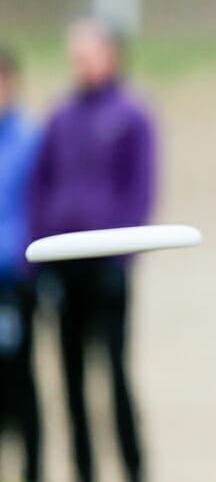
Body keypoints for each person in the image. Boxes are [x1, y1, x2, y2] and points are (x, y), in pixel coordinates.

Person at [29, 18, 156, 482]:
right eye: (74, 52)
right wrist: (38, 257)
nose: (79, 61)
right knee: (71, 380)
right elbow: (42, 189)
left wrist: (121, 259)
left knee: (116, 376)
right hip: (63, 271)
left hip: (109, 270)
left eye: (88, 51)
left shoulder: (132, 115)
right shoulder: (60, 115)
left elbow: (139, 192)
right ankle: (83, 470)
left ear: (113, 54)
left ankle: (134, 468)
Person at [0, 47, 42, 482]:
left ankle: (32, 470)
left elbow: (40, 208)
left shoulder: (30, 139)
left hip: (16, 279)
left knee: (20, 385)